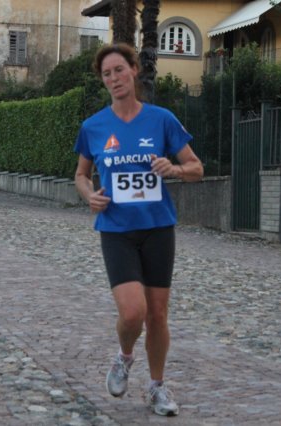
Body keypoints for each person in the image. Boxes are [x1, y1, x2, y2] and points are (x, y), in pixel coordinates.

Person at [73, 43, 203, 417]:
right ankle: (125, 356)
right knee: (133, 313)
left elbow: (197, 168)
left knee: (157, 315)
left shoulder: (161, 119)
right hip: (116, 230)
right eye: (107, 74)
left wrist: (174, 169)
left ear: (133, 70)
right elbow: (81, 174)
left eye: (119, 70)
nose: (114, 78)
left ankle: (157, 387)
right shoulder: (93, 127)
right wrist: (89, 195)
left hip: (157, 228)